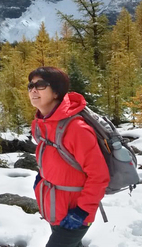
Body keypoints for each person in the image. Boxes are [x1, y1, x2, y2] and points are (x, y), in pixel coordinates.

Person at [28, 66, 109, 247]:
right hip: (55, 209)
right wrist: (41, 178)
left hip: (75, 213)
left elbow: (99, 175)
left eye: (40, 85)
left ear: (56, 91)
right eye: (30, 85)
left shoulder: (76, 129)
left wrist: (81, 211)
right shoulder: (43, 124)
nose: (33, 89)